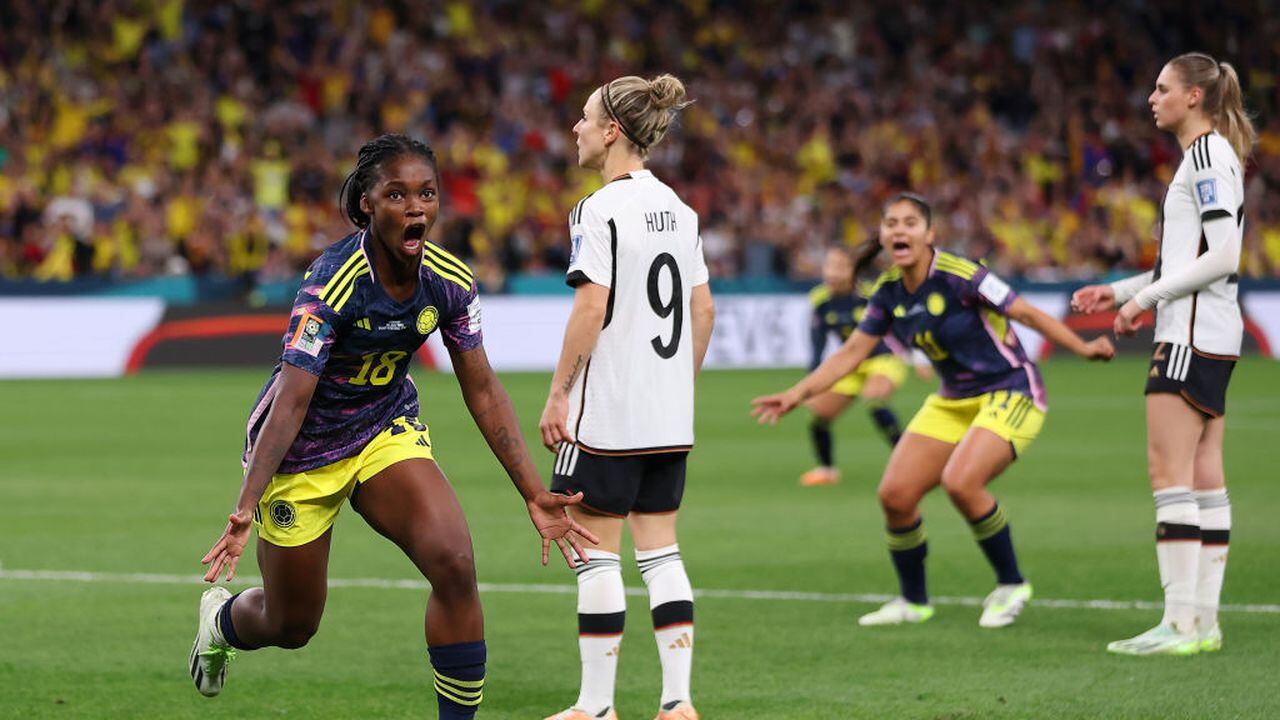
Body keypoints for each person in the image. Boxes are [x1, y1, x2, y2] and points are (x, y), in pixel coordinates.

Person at [191, 134, 598, 719]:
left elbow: (481, 387)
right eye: (397, 194)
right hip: (301, 451)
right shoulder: (332, 282)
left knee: (454, 563)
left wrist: (534, 492)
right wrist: (243, 507)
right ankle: (223, 623)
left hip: (384, 429)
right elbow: (292, 399)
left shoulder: (450, 281)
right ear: (366, 205)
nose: (416, 208)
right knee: (292, 623)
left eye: (427, 194)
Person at [752, 193, 1114, 628]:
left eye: (909, 222)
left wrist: (1083, 347)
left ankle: (1011, 583)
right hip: (952, 399)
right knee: (895, 496)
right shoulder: (887, 292)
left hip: (1010, 390)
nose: (899, 230)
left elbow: (1026, 313)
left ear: (930, 234)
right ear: (884, 235)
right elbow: (851, 352)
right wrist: (797, 393)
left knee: (961, 482)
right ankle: (913, 601)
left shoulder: (962, 275)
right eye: (891, 223)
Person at [538, 74, 714, 720]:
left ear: (613, 131)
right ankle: (677, 703)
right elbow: (704, 310)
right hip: (668, 417)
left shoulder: (598, 209)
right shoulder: (683, 210)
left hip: (609, 413)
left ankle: (596, 707)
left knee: (594, 557)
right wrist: (678, 386)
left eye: (585, 119)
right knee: (662, 554)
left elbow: (591, 307)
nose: (577, 130)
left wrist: (558, 394)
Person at [1072, 53, 1254, 656]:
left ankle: (1178, 625)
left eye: (1162, 88)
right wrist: (1121, 290)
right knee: (1205, 479)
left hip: (1188, 335)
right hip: (1215, 335)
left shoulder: (1204, 157)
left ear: (1194, 97)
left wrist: (1144, 300)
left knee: (1168, 476)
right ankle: (1203, 624)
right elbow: (1189, 256)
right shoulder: (1209, 157)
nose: (1152, 98)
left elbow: (1224, 254)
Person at [800, 244, 931, 487]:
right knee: (819, 414)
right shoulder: (819, 299)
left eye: (840, 267)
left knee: (874, 398)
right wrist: (812, 384)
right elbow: (817, 345)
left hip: (885, 358)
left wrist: (919, 357)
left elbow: (904, 326)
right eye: (829, 266)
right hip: (851, 364)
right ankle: (826, 470)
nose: (833, 273)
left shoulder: (873, 295)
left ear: (855, 270)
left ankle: (909, 466)